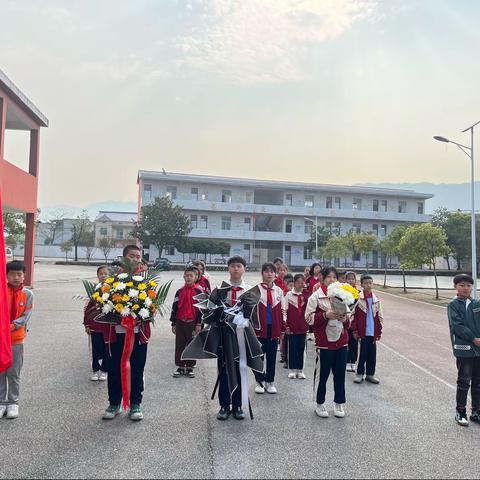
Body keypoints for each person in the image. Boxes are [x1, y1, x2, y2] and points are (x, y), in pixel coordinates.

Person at [102, 244, 150, 422]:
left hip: (138, 334)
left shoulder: (145, 282)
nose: (135, 259)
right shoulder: (111, 281)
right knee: (114, 369)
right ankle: (114, 403)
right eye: (132, 256)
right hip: (115, 334)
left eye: (138, 256)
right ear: (123, 258)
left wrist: (142, 314)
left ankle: (135, 404)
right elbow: (99, 304)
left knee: (137, 369)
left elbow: (152, 306)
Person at [305, 266, 349, 419]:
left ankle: (339, 403)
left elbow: (350, 321)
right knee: (322, 375)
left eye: (334, 277)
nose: (332, 280)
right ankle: (320, 403)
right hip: (324, 343)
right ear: (321, 279)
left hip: (341, 341)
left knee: (340, 374)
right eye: (329, 277)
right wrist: (325, 315)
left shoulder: (343, 296)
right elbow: (308, 319)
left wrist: (346, 319)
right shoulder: (315, 297)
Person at [217, 256, 251, 421]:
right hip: (224, 336)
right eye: (232, 266)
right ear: (228, 269)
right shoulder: (220, 289)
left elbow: (254, 316)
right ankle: (224, 405)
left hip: (242, 337)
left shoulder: (250, 291)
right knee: (223, 370)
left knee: (240, 369)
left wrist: (245, 320)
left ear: (244, 268)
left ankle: (237, 405)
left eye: (239, 266)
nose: (236, 269)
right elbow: (213, 313)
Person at [0, 261, 33, 419]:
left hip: (16, 339)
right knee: (0, 372)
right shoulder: (1, 291)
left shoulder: (28, 294)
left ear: (24, 275)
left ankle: (13, 402)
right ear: (6, 275)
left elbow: (26, 315)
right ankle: (1, 402)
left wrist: (13, 326)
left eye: (19, 274)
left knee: (13, 373)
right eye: (12, 274)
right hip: (1, 339)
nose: (16, 277)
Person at [447, 273, 480, 426]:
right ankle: (460, 412)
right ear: (455, 287)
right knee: (464, 381)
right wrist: (474, 339)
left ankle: (476, 411)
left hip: (478, 349)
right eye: (462, 285)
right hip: (464, 348)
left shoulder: (476, 304)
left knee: (478, 382)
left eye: (468, 285)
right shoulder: (453, 305)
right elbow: (458, 326)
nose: (466, 288)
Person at [254, 263, 285, 395]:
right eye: (266, 271)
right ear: (262, 273)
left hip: (274, 329)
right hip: (260, 329)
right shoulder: (255, 290)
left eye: (272, 271)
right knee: (259, 356)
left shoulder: (279, 291)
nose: (269, 274)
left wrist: (283, 328)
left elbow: (283, 311)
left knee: (272, 357)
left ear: (275, 274)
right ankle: (259, 382)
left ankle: (270, 382)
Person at [170, 266, 203, 378]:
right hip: (180, 322)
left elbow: (201, 310)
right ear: (183, 276)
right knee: (179, 344)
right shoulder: (179, 292)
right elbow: (174, 307)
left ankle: (189, 366)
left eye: (191, 276)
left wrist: (199, 324)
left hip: (193, 323)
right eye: (187, 275)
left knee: (191, 345)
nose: (188, 278)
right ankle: (180, 366)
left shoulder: (199, 292)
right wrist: (173, 323)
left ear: (196, 277)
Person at [352, 275, 383, 385]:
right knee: (362, 354)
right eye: (366, 283)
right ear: (362, 284)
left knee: (372, 354)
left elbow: (379, 316)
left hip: (372, 331)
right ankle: (359, 373)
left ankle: (370, 374)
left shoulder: (376, 300)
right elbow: (353, 316)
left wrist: (379, 331)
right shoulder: (358, 299)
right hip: (362, 332)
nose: (368, 285)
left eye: (370, 283)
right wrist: (355, 330)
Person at [83, 265, 110, 382]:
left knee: (107, 349)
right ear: (97, 276)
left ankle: (104, 370)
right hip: (95, 327)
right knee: (95, 349)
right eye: (101, 274)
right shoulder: (94, 291)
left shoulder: (114, 291)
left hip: (108, 327)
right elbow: (88, 309)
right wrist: (87, 324)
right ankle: (95, 370)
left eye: (105, 273)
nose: (103, 276)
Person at [284, 274, 309, 379]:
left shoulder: (306, 295)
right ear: (293, 283)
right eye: (297, 282)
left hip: (303, 327)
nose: (300, 284)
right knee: (292, 349)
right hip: (292, 327)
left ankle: (300, 369)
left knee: (302, 349)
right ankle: (292, 369)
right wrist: (286, 325)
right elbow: (284, 311)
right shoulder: (288, 295)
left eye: (302, 282)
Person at [345, 271, 360, 372]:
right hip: (345, 320)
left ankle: (353, 362)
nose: (351, 280)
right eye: (348, 279)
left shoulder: (358, 293)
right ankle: (346, 361)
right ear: (345, 280)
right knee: (346, 341)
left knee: (354, 342)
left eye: (352, 279)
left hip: (354, 321)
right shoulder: (342, 292)